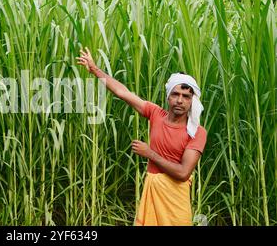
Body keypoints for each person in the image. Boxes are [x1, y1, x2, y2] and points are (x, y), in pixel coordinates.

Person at [76, 47, 207, 226]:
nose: (180, 100)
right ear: (168, 97)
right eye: (175, 94)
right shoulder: (155, 114)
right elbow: (123, 93)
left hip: (176, 201)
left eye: (186, 96)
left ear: (192, 100)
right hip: (153, 193)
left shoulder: (197, 132)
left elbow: (183, 173)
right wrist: (95, 69)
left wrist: (149, 153)